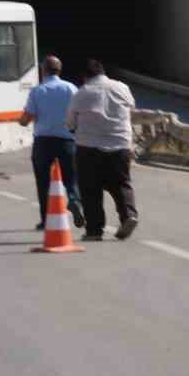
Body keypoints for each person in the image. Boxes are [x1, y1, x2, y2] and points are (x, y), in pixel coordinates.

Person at [65, 59, 138, 241]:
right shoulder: (122, 87)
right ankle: (128, 215)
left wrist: (76, 127)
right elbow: (132, 107)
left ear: (84, 76)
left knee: (91, 189)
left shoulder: (82, 93)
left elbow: (70, 122)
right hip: (120, 144)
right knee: (122, 183)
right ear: (103, 72)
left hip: (89, 148)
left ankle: (94, 230)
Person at [19, 55, 86, 232]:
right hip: (67, 140)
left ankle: (46, 220)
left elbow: (26, 119)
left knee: (43, 183)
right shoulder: (71, 88)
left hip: (43, 142)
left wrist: (23, 120)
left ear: (43, 71)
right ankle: (73, 199)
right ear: (59, 70)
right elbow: (79, 112)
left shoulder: (38, 91)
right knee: (71, 178)